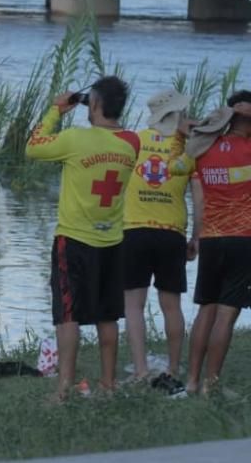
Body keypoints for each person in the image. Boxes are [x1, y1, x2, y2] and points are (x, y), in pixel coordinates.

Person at [25, 76, 140, 401]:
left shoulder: (76, 139)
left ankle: (63, 388)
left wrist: (57, 110)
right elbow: (111, 135)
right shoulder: (132, 143)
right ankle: (108, 385)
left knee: (68, 315)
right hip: (112, 242)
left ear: (96, 104)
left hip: (73, 240)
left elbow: (32, 147)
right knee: (107, 315)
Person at [119, 90, 195, 395]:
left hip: (134, 230)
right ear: (177, 113)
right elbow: (200, 197)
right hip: (171, 232)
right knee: (171, 305)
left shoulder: (135, 141)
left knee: (133, 306)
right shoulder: (189, 148)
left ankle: (139, 371)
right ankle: (174, 370)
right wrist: (197, 236)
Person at [183, 92, 251, 396]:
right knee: (226, 314)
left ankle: (192, 381)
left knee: (205, 311)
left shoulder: (203, 147)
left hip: (210, 239)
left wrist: (211, 122)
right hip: (243, 240)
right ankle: (211, 385)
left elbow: (183, 126)